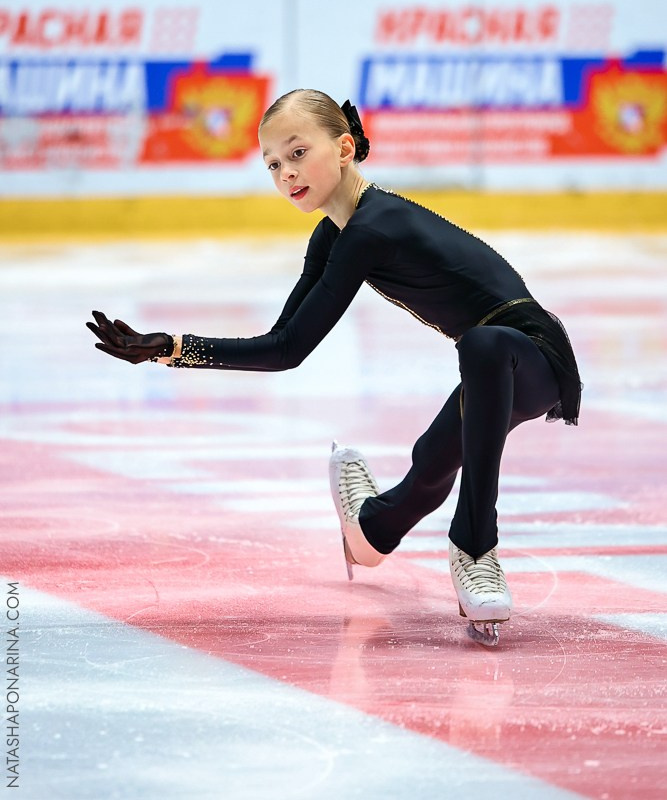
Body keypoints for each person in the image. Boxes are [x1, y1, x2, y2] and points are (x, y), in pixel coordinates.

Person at [87, 89, 581, 647]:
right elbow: (285, 347)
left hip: (532, 356)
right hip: (490, 368)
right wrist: (169, 347)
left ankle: (475, 545)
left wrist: (172, 347)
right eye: (272, 163)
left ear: (344, 148)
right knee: (425, 475)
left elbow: (289, 348)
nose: (285, 173)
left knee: (485, 345)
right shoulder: (333, 236)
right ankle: (369, 526)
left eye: (298, 153)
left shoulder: (373, 226)